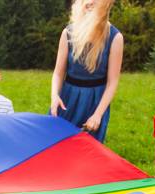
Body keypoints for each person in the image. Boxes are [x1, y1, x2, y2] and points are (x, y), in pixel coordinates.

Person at [50, 0, 123, 142]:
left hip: (95, 102)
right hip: (67, 99)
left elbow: (112, 82)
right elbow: (58, 73)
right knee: (56, 145)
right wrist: (54, 96)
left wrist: (98, 114)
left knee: (87, 151)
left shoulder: (115, 37)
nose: (89, 2)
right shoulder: (68, 33)